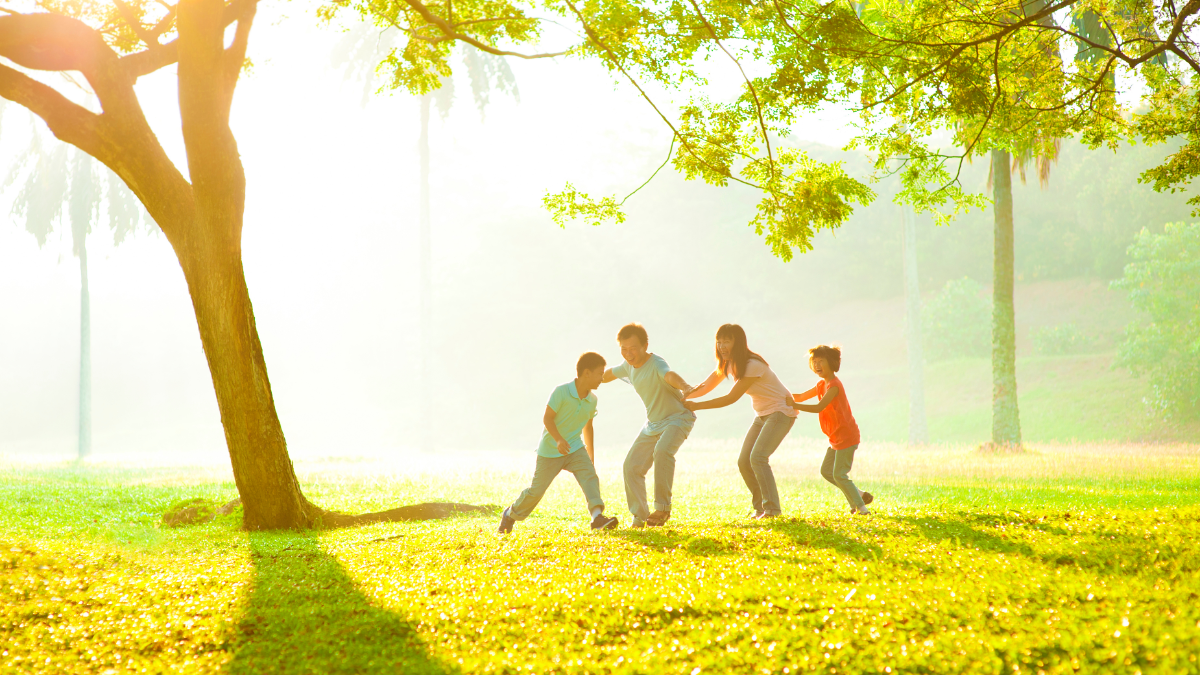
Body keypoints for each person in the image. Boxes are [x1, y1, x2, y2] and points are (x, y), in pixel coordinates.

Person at [683, 324, 797, 519]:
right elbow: (705, 386)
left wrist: (696, 406)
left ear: (738, 342)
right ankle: (761, 508)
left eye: (727, 341)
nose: (722, 346)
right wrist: (682, 396)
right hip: (762, 415)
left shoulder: (753, 364)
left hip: (780, 412)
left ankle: (772, 510)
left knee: (758, 458)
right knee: (744, 462)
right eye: (719, 342)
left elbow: (730, 398)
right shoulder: (728, 364)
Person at [498, 352, 620, 533]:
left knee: (590, 477)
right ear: (586, 373)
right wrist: (558, 440)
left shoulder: (592, 399)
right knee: (536, 492)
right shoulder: (561, 392)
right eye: (600, 373)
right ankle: (510, 514)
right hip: (550, 450)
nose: (602, 378)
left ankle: (597, 518)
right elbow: (547, 419)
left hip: (575, 448)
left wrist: (590, 455)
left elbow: (588, 427)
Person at [602, 323, 696, 528]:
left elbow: (669, 375)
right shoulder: (627, 366)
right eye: (623, 349)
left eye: (633, 348)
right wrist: (588, 379)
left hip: (678, 418)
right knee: (631, 466)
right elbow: (607, 374)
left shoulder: (656, 362)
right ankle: (640, 516)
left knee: (662, 452)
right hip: (653, 424)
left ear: (645, 345)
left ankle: (662, 508)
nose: (628, 353)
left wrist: (685, 386)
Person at [786, 345, 874, 515]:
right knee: (827, 471)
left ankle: (861, 509)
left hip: (846, 436)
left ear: (832, 363)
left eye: (821, 361)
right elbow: (801, 396)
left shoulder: (834, 385)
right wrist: (779, 395)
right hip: (835, 437)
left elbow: (819, 407)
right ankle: (859, 497)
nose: (817, 365)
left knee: (840, 475)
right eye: (814, 362)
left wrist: (794, 405)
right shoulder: (821, 384)